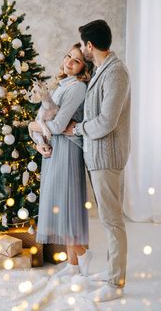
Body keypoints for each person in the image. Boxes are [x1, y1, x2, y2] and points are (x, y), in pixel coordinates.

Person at [64, 20, 131, 302]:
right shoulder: (102, 70)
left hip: (107, 157)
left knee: (113, 221)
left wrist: (77, 129)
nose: (81, 50)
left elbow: (106, 121)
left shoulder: (115, 73)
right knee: (107, 219)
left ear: (90, 46)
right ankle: (113, 272)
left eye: (83, 45)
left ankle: (117, 284)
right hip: (96, 156)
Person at [29, 43, 94, 279]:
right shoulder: (60, 85)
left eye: (76, 61)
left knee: (64, 208)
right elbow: (44, 121)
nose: (69, 62)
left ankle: (84, 254)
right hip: (53, 151)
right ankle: (73, 265)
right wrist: (38, 141)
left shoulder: (77, 88)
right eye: (68, 56)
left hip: (67, 151)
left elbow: (56, 126)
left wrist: (31, 126)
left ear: (83, 67)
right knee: (62, 206)